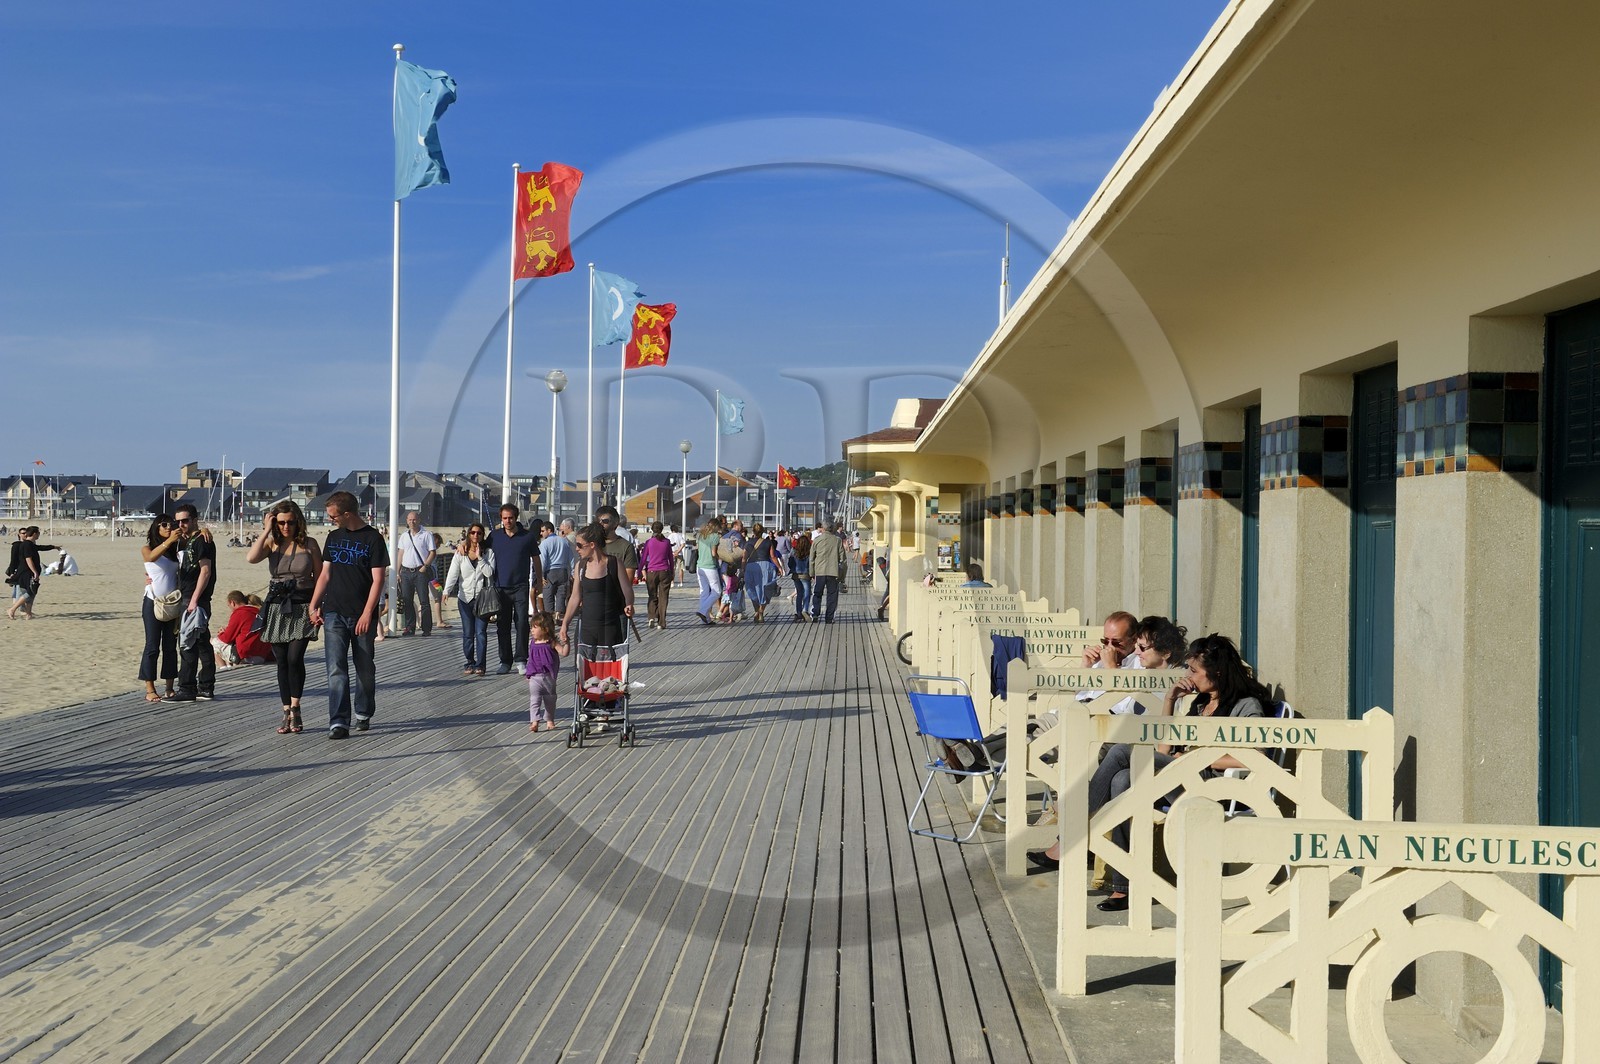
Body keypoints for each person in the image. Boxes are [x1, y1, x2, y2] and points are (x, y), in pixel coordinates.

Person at [1030, 631, 1266, 913]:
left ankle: (1070, 834)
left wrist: (1199, 758)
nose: (1189, 675)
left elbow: (1257, 756)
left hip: (1211, 787)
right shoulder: (1201, 703)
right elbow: (1164, 751)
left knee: (1120, 751)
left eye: (1194, 670)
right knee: (1122, 781)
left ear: (1216, 671)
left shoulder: (1246, 705)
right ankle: (1125, 886)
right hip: (1182, 775)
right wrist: (1170, 699)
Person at [308, 490, 389, 739]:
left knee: (364, 668)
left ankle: (363, 713)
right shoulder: (333, 537)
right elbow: (325, 574)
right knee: (336, 668)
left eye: (333, 516)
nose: (330, 520)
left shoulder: (373, 539)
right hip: (334, 612)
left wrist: (368, 614)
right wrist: (314, 604)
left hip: (361, 614)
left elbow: (378, 580)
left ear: (347, 514)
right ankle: (339, 722)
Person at [248, 501, 322, 735]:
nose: (286, 527)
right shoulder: (272, 543)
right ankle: (286, 710)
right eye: (281, 522)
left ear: (297, 521)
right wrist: (266, 529)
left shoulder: (309, 544)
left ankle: (297, 707)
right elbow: (251, 558)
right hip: (277, 606)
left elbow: (321, 578)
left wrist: (317, 606)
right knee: (281, 660)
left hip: (302, 606)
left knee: (294, 657)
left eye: (290, 522)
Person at [164, 504, 217, 702]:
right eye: (178, 521)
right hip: (188, 595)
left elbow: (206, 570)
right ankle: (205, 686)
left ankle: (187, 688)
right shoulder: (184, 541)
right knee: (201, 641)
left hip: (195, 598)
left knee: (187, 642)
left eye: (185, 520)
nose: (181, 524)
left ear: (195, 519)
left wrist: (194, 599)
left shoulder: (201, 540)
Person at [560, 523, 634, 653]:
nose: (577, 549)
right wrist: (565, 623)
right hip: (587, 627)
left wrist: (629, 604)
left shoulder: (614, 563)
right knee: (585, 669)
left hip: (610, 626)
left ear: (592, 545)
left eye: (579, 545)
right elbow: (575, 597)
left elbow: (627, 591)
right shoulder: (581, 566)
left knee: (610, 671)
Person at [487, 504, 541, 676]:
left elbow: (536, 559)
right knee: (502, 625)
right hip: (500, 587)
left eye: (510, 517)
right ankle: (505, 661)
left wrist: (539, 580)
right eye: (504, 518)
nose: (507, 521)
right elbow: (478, 548)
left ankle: (521, 660)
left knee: (522, 623)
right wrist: (462, 547)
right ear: (501, 519)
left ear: (516, 517)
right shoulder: (494, 536)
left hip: (520, 586)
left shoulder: (527, 537)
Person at [138, 514, 181, 702]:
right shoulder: (148, 548)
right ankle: (150, 688)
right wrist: (170, 540)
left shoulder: (175, 550)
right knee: (152, 646)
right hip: (153, 601)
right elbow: (150, 557)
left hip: (172, 602)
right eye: (164, 525)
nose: (168, 527)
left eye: (171, 525)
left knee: (170, 646)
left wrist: (202, 530)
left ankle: (170, 687)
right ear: (156, 527)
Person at [443, 522, 495, 675]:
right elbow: (453, 573)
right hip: (464, 598)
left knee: (480, 632)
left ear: (482, 535)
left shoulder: (488, 553)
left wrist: (480, 557)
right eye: (472, 533)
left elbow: (489, 573)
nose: (475, 536)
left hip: (481, 598)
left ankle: (481, 664)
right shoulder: (461, 552)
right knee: (467, 633)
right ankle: (469, 662)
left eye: (479, 533)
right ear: (468, 534)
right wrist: (446, 590)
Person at [395, 510, 437, 636]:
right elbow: (400, 553)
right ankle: (410, 627)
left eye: (414, 520)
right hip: (406, 571)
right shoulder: (404, 536)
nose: (411, 522)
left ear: (419, 520)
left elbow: (432, 552)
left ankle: (426, 628)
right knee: (407, 600)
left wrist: (425, 566)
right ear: (407, 521)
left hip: (420, 571)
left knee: (424, 600)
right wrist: (398, 572)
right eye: (409, 520)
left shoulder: (426, 534)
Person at [6, 527, 59, 621]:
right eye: (38, 533)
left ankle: (28, 613)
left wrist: (54, 547)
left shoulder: (30, 544)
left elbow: (41, 548)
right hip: (26, 572)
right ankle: (12, 609)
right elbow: (28, 559)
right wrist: (35, 572)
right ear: (34, 534)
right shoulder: (26, 545)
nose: (39, 534)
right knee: (29, 592)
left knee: (32, 592)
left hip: (28, 572)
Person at [213, 591, 274, 668]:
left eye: (229, 606)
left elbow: (227, 638)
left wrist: (221, 633)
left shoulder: (240, 613)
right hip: (262, 654)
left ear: (232, 603)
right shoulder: (259, 612)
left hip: (246, 654)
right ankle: (229, 666)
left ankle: (223, 668)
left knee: (214, 642)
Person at [525, 610, 562, 732]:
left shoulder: (551, 643)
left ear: (545, 629)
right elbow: (531, 659)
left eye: (535, 628)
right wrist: (528, 673)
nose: (532, 630)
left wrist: (566, 643)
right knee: (534, 700)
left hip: (548, 677)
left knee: (550, 700)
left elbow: (564, 652)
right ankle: (534, 721)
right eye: (531, 627)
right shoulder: (532, 643)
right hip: (535, 677)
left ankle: (550, 719)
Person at [539, 516, 577, 623]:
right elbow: (571, 558)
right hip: (563, 571)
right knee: (561, 594)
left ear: (549, 530)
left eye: (543, 531)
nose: (541, 533)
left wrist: (541, 575)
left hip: (550, 571)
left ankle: (549, 616)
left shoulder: (544, 543)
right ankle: (558, 615)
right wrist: (573, 571)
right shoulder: (564, 541)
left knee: (548, 595)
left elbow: (543, 560)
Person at [638, 521, 676, 629]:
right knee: (663, 597)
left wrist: (639, 571)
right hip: (664, 571)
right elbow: (670, 559)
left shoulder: (649, 542)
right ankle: (662, 622)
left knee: (652, 595)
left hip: (651, 572)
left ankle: (651, 617)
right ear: (662, 529)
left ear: (652, 529)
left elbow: (643, 559)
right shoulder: (667, 542)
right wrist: (672, 572)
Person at [743, 523, 784, 623]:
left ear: (753, 531)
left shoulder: (748, 543)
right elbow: (773, 556)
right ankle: (761, 611)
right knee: (766, 589)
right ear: (762, 532)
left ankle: (757, 610)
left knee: (752, 589)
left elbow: (744, 558)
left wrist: (742, 569)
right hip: (765, 566)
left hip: (751, 566)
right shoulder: (768, 542)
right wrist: (779, 567)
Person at [808, 519, 845, 623]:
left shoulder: (816, 540)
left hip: (819, 571)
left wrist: (811, 573)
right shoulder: (837, 540)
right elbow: (843, 560)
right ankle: (829, 617)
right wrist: (842, 575)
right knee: (832, 595)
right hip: (833, 571)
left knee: (817, 593)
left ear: (823, 528)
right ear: (832, 528)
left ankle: (815, 613)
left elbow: (811, 558)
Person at [593, 505, 639, 584]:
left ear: (615, 523)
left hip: (615, 593)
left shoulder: (626, 546)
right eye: (598, 521)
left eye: (605, 521)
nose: (600, 524)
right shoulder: (592, 544)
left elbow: (628, 579)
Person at [694, 517, 724, 625]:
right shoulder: (715, 536)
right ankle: (702, 611)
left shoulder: (701, 535)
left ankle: (706, 619)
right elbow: (713, 553)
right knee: (717, 591)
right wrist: (721, 558)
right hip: (710, 567)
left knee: (704, 592)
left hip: (700, 566)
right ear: (716, 527)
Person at [789, 530, 812, 622]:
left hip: (796, 574)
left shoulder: (793, 551)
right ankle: (805, 610)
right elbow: (811, 563)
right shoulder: (809, 551)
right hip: (806, 574)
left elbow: (790, 563)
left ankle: (799, 612)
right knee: (807, 593)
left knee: (799, 593)